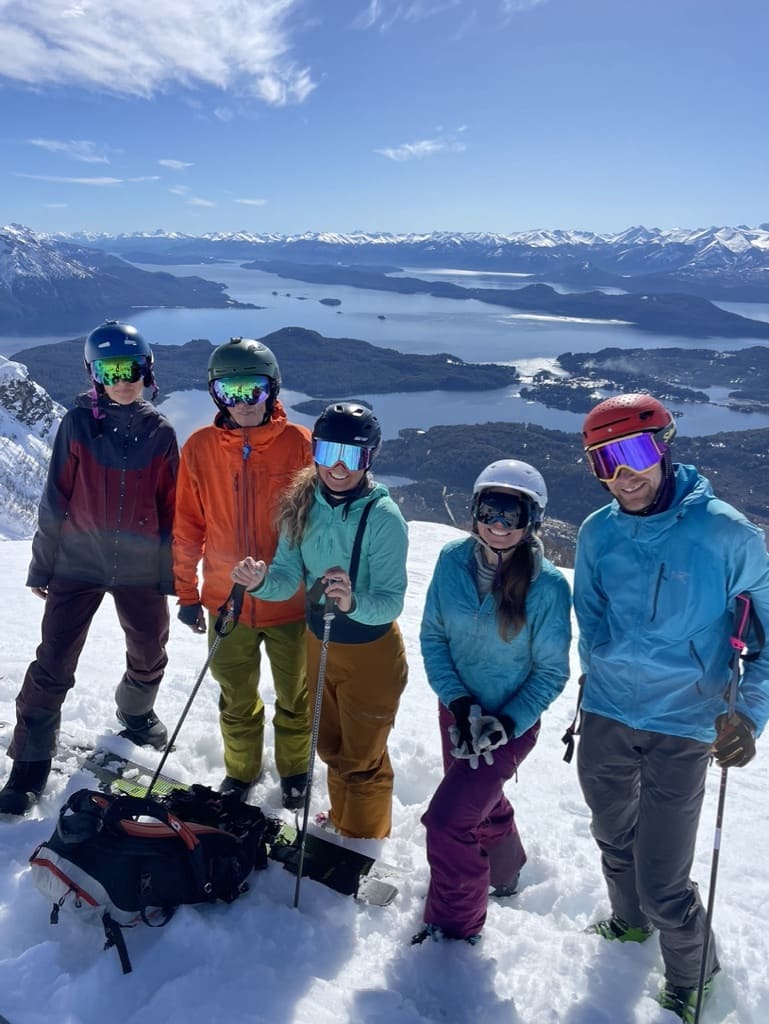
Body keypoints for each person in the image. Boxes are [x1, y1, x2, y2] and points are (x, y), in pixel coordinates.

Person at [574, 392, 769, 1021]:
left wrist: (750, 715)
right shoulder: (597, 532)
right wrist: (597, 670)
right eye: (605, 462)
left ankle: (694, 974)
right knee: (611, 839)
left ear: (663, 445)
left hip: (685, 726)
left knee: (664, 882)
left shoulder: (727, 534)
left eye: (633, 452)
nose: (623, 475)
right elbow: (590, 619)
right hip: (605, 712)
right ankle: (628, 925)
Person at [0, 320, 179, 815]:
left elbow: (171, 508)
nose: (125, 379)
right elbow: (55, 496)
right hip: (78, 563)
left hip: (140, 566)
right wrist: (42, 566)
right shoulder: (77, 423)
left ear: (148, 371)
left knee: (149, 648)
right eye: (112, 369)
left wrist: (170, 576)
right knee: (54, 659)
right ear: (95, 373)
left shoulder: (160, 432)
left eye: (134, 368)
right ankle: (30, 767)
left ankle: (136, 712)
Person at [231, 401, 408, 839]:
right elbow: (289, 575)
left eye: (354, 456)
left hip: (370, 651)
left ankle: (362, 839)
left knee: (362, 757)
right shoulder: (304, 502)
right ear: (316, 453)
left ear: (370, 459)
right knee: (329, 743)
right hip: (320, 640)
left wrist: (351, 602)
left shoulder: (384, 518)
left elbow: (390, 601)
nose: (340, 468)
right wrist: (259, 582)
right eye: (330, 453)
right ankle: (343, 820)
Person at [413, 459, 571, 945]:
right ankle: (506, 870)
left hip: (510, 723)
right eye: (490, 509)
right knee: (477, 799)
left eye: (512, 515)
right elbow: (433, 638)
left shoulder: (547, 588)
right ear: (475, 508)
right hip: (458, 713)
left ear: (532, 521)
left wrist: (506, 722)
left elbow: (551, 671)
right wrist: (458, 704)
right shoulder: (450, 561)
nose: (498, 525)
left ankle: (454, 927)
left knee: (447, 821)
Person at [173, 337, 313, 809]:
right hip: (225, 600)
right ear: (216, 395)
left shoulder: (299, 445)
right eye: (230, 391)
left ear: (271, 390)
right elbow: (188, 526)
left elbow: (320, 523)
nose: (243, 402)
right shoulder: (200, 449)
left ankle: (295, 769)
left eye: (252, 389)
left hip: (290, 602)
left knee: (296, 697)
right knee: (235, 698)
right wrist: (187, 594)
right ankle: (241, 770)